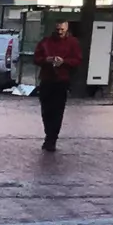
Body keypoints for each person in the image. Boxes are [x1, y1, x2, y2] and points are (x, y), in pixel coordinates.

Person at [33, 21, 84, 150]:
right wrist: (47, 60)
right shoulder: (46, 42)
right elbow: (36, 58)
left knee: (57, 111)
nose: (60, 32)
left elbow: (77, 60)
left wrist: (64, 62)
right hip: (47, 79)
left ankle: (52, 138)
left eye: (62, 29)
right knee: (46, 110)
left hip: (62, 80)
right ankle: (49, 134)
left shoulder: (73, 43)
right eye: (58, 29)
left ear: (67, 29)